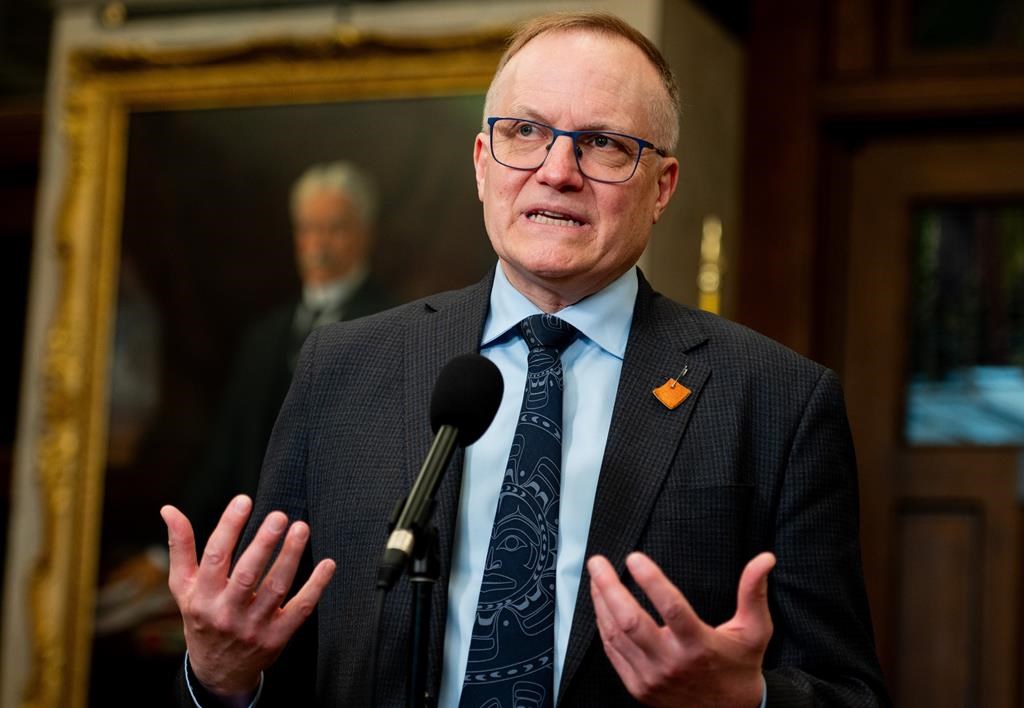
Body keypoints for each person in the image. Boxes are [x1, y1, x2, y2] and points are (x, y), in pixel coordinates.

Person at [161, 11, 889, 707]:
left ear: (662, 187)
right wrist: (224, 681)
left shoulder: (777, 403)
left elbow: (846, 692)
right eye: (524, 132)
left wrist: (746, 702)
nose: (557, 170)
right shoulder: (341, 369)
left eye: (604, 143)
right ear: (483, 163)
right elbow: (274, 653)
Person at [181, 160, 396, 550]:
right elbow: (226, 452)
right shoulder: (262, 339)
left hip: (339, 551)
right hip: (253, 552)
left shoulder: (390, 328)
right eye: (308, 228)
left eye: (335, 228)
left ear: (365, 233)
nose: (319, 244)